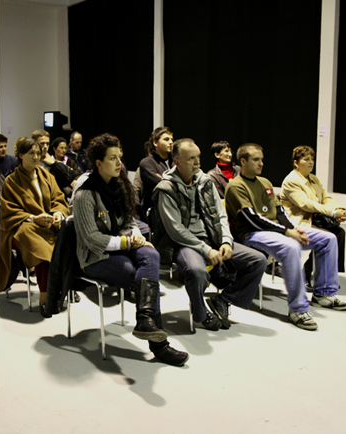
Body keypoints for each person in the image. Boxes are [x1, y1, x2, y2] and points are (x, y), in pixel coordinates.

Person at [73, 133, 188, 366]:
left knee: (151, 254)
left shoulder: (120, 185)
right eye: (112, 158)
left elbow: (129, 221)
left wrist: (137, 237)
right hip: (95, 257)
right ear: (98, 163)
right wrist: (127, 243)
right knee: (140, 277)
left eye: (119, 157)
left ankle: (145, 320)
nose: (119, 163)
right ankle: (159, 345)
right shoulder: (84, 193)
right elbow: (91, 239)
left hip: (120, 245)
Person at [224, 143, 346, 331]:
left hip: (277, 230)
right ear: (243, 161)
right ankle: (298, 309)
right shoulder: (235, 186)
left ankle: (324, 294)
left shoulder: (265, 182)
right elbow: (252, 219)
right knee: (291, 247)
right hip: (253, 234)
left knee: (328, 239)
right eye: (256, 160)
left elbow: (280, 211)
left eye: (262, 160)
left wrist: (293, 229)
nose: (261, 164)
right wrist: (286, 232)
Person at [151, 139, 267, 331]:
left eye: (198, 157)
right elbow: (175, 230)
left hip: (212, 238)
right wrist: (206, 250)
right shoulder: (166, 188)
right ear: (177, 162)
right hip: (184, 244)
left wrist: (226, 241)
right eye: (191, 158)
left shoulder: (205, 181)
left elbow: (221, 214)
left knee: (258, 260)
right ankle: (201, 313)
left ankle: (223, 300)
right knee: (197, 271)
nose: (197, 162)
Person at [0, 138, 69, 306]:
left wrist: (58, 214)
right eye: (31, 153)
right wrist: (33, 218)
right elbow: (9, 211)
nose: (36, 157)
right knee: (40, 248)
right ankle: (46, 295)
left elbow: (58, 199)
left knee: (68, 240)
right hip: (22, 227)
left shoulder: (47, 176)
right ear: (21, 155)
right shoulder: (11, 181)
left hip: (49, 225)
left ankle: (64, 287)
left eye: (38, 153)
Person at [279, 146, 346, 287]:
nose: (311, 162)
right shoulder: (291, 180)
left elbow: (326, 198)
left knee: (340, 233)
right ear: (296, 163)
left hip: (313, 219)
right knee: (327, 237)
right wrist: (332, 213)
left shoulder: (314, 179)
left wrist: (338, 209)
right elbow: (305, 204)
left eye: (312, 159)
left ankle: (328, 273)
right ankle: (309, 273)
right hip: (296, 221)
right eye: (306, 159)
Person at [137, 126, 174, 218]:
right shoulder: (147, 162)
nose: (171, 142)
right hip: (156, 212)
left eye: (171, 139)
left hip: (175, 208)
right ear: (155, 142)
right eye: (166, 139)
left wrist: (164, 178)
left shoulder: (176, 161)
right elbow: (162, 185)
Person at [32, 129, 73, 197]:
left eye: (47, 144)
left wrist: (54, 164)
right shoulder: (28, 161)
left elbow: (69, 177)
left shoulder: (52, 161)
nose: (45, 146)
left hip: (52, 197)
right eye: (42, 143)